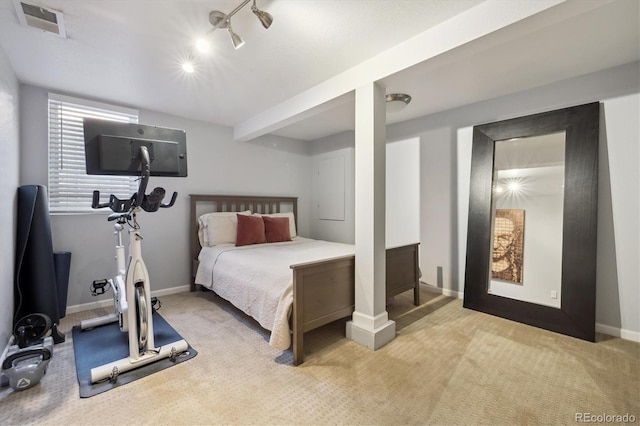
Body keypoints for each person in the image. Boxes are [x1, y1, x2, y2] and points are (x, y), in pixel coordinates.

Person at [492, 212, 523, 283]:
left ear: (515, 237)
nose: (495, 245)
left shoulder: (520, 269)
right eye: (491, 237)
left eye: (503, 238)